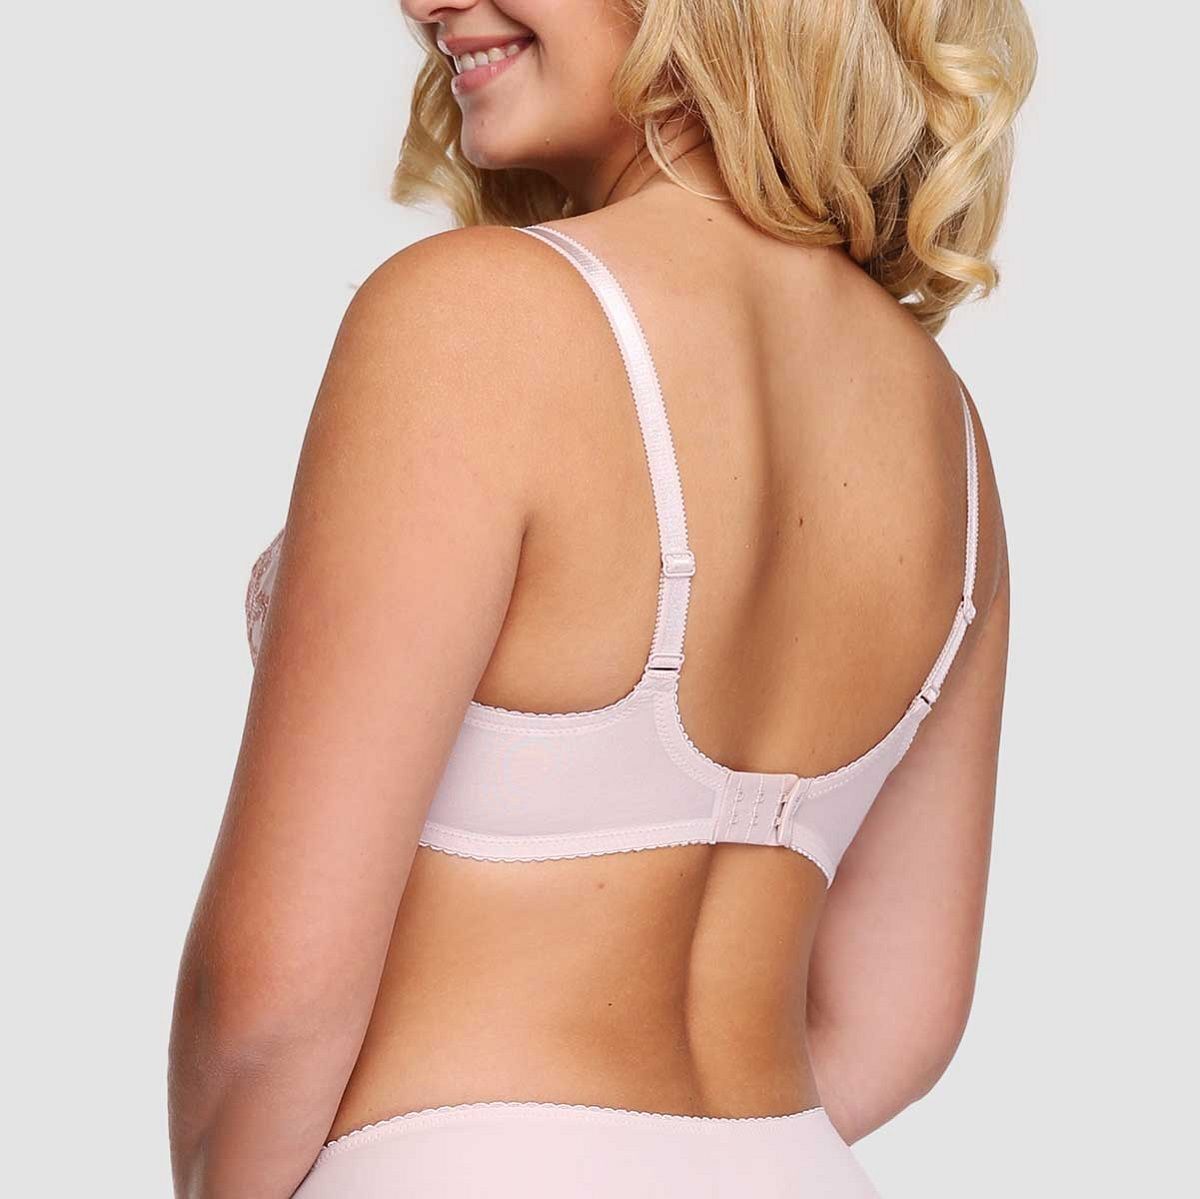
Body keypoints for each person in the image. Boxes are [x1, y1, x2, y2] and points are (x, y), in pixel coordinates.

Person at [168, 2, 1035, 1195]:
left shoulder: (474, 321)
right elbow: (900, 1014)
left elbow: (270, 1002)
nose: (421, 2)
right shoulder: (947, 435)